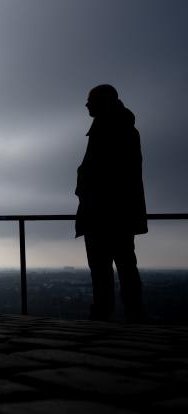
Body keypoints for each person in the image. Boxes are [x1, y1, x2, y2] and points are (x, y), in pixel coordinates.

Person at [75, 84, 147, 322]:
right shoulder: (122, 128)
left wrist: (85, 188)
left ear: (102, 102)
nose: (86, 104)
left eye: (90, 100)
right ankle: (131, 314)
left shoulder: (108, 129)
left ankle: (106, 315)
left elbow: (103, 173)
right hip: (118, 212)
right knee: (125, 266)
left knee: (104, 269)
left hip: (103, 212)